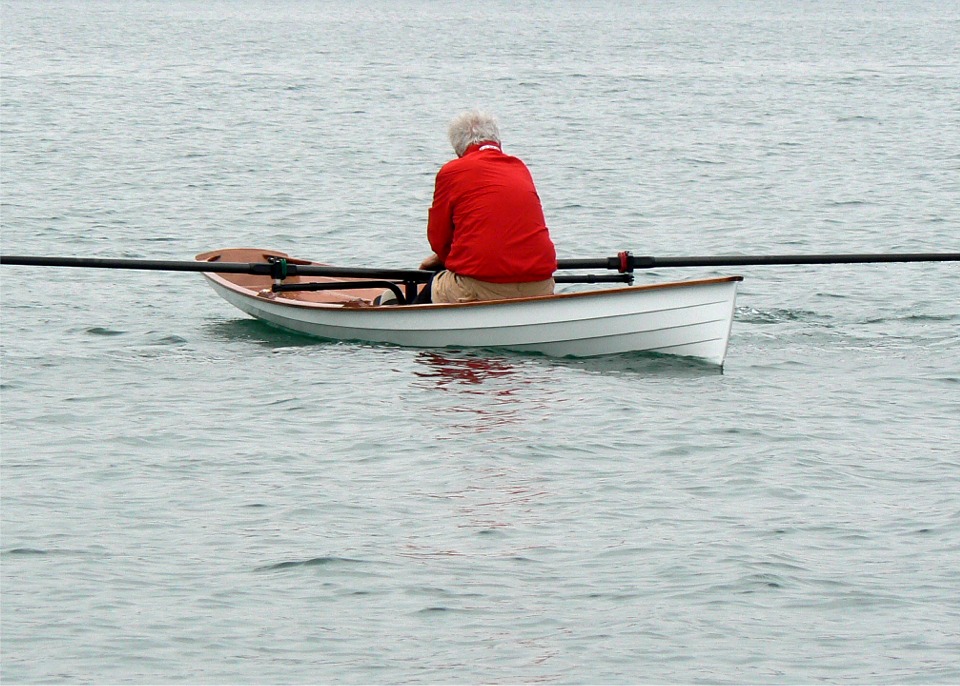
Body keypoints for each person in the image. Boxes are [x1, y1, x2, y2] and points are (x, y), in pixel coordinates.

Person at [415, 110, 557, 304]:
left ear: (458, 149)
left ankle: (401, 324)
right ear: (498, 142)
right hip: (541, 284)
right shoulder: (519, 167)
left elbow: (439, 239)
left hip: (482, 285)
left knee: (434, 283)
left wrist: (444, 259)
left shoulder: (452, 171)